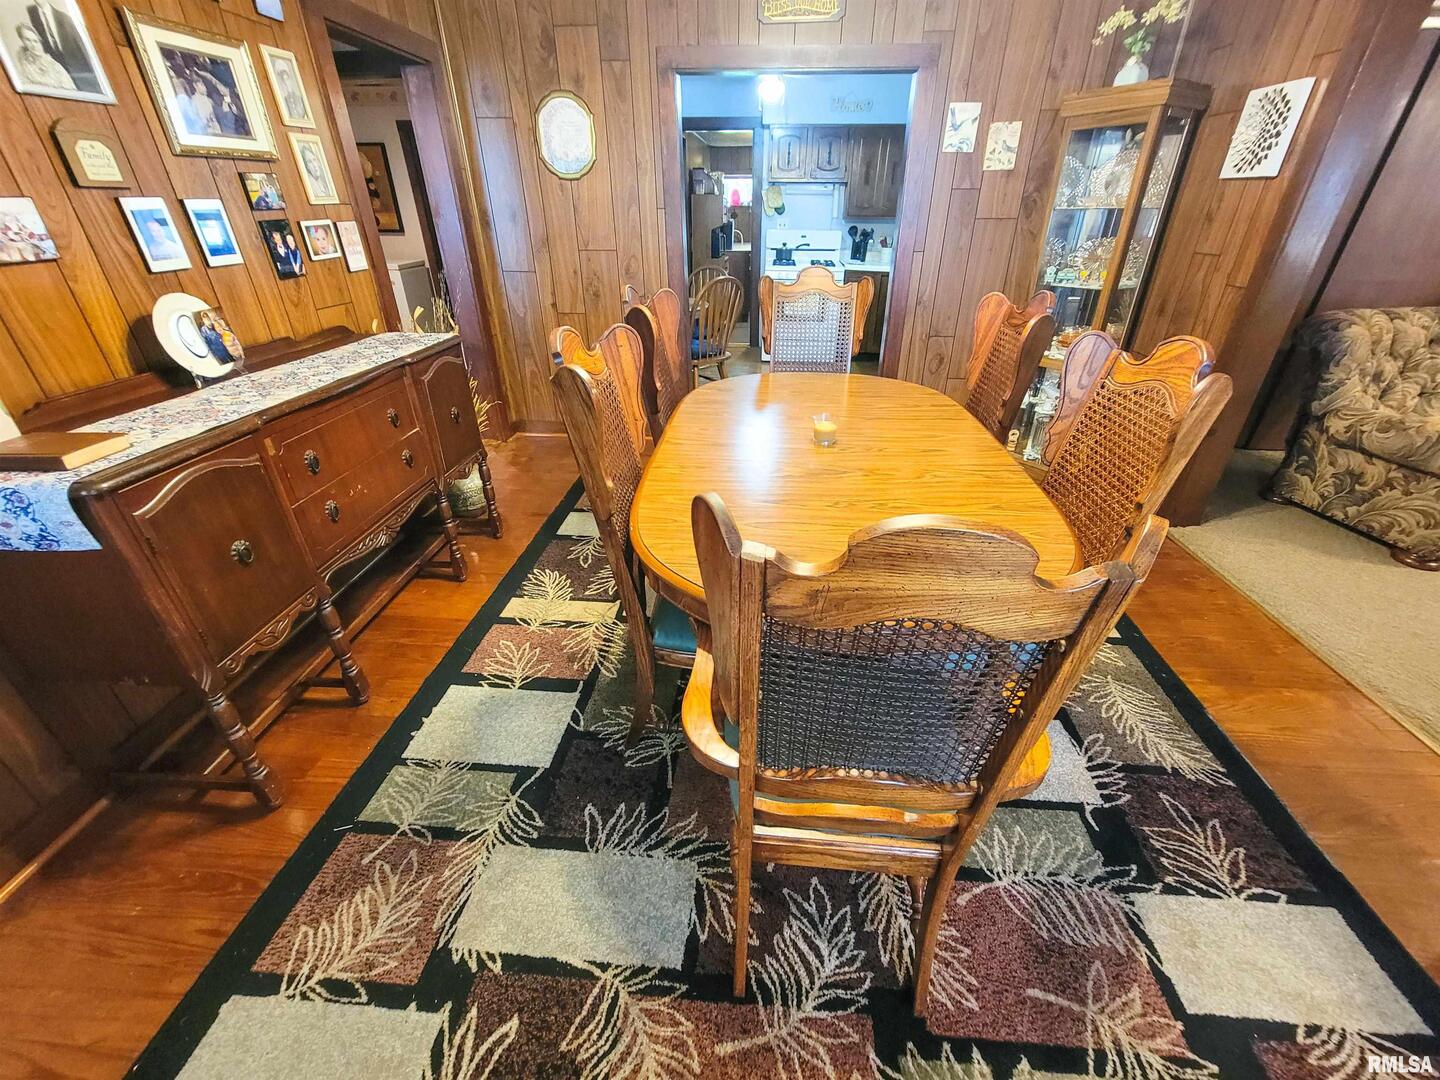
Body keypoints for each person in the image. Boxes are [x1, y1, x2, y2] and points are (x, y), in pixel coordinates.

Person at [24, 0, 99, 93]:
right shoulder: (32, 13)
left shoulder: (65, 16)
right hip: (57, 73)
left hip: (79, 70)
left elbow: (82, 48)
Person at [13, 22, 74, 90]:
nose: (33, 45)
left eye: (35, 41)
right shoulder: (22, 59)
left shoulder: (53, 65)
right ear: (22, 40)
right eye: (28, 40)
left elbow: (68, 88)